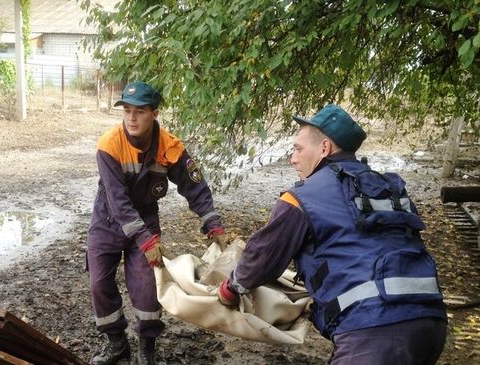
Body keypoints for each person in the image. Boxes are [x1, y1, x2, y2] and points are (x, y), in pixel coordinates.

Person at [217, 104, 447, 364]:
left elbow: (263, 256)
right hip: (432, 324)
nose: (293, 158)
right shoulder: (386, 188)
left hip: (374, 332)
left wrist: (231, 287)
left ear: (324, 148)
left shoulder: (302, 197)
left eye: (298, 149)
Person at [87, 81, 228, 365]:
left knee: (148, 287)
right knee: (99, 283)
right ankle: (117, 344)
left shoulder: (170, 146)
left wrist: (211, 220)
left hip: (146, 220)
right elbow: (118, 201)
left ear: (154, 113)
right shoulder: (108, 145)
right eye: (126, 111)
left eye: (139, 111)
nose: (131, 118)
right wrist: (145, 239)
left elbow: (195, 187)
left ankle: (146, 350)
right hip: (108, 219)